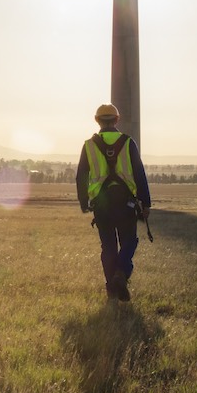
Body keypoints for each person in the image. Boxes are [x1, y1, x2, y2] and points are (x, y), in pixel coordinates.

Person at [75, 103, 152, 301]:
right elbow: (139, 174)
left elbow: (81, 176)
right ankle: (121, 272)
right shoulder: (128, 142)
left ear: (96, 120)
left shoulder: (89, 145)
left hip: (101, 203)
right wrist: (146, 203)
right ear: (117, 120)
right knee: (129, 241)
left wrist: (84, 202)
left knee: (108, 247)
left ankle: (111, 289)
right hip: (126, 202)